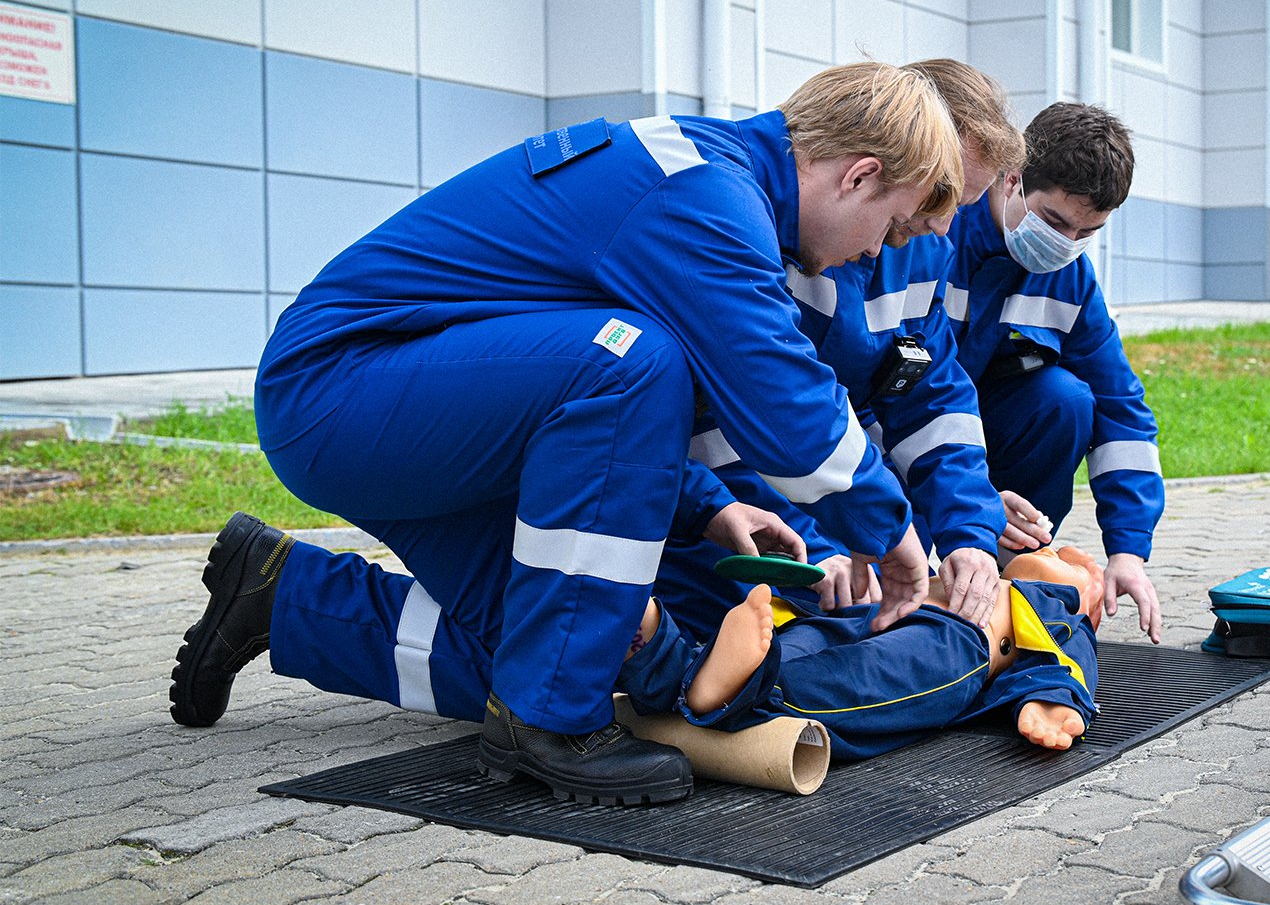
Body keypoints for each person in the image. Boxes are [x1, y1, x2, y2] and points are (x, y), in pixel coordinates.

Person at [167, 62, 963, 807]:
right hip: (339, 396)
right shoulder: (705, 200)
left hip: (407, 409)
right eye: (888, 230)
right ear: (857, 174)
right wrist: (893, 540)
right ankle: (552, 725)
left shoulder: (705, 182)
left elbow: (564, 400)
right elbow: (785, 408)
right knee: (631, 362)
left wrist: (708, 507)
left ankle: (281, 595)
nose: (873, 253)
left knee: (556, 644)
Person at [658, 59, 1031, 641]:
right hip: (717, 502)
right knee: (736, 641)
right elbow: (750, 414)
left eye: (961, 208)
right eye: (940, 195)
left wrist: (970, 532)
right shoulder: (756, 231)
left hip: (820, 502)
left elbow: (932, 399)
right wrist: (824, 541)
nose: (938, 225)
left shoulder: (922, 249)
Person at [946, 103, 1164, 644]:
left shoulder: (1071, 279)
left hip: (985, 428)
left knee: (1065, 400)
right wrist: (969, 498)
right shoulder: (936, 236)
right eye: (1056, 222)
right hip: (900, 431)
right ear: (1012, 178)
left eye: (1087, 232)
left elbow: (1121, 409)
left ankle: (1014, 572)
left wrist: (1129, 551)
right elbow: (898, 394)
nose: (1066, 244)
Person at [617, 546, 1105, 760]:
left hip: (956, 641)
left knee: (858, 679)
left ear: (1088, 604)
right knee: (803, 642)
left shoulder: (1059, 613)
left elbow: (1069, 661)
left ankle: (677, 670)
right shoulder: (967, 567)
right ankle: (706, 673)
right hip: (869, 614)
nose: (1064, 552)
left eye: (1077, 565)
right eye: (1060, 550)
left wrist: (1054, 699)